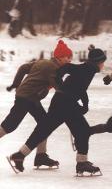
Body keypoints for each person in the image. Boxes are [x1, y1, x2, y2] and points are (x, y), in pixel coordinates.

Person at [8, 46, 107, 175]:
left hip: (61, 102)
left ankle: (20, 155)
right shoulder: (87, 69)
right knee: (82, 131)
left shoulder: (88, 69)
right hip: (67, 103)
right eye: (103, 62)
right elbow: (68, 69)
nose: (104, 65)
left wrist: (84, 103)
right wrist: (59, 80)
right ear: (98, 63)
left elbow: (80, 87)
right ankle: (82, 163)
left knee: (44, 129)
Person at [1, 40, 72, 169]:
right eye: (68, 57)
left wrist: (17, 84)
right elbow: (60, 88)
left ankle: (41, 156)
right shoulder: (53, 68)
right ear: (60, 57)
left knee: (44, 123)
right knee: (10, 125)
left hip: (30, 98)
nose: (69, 60)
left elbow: (23, 68)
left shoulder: (44, 62)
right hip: (26, 98)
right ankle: (39, 156)